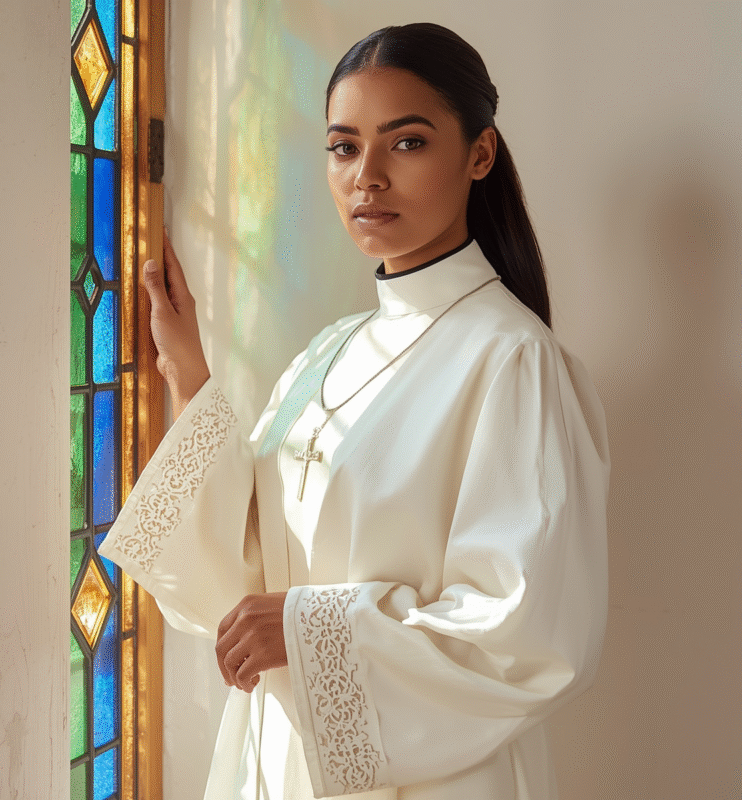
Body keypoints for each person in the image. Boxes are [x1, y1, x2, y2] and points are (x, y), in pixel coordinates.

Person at [99, 22, 610, 800]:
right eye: (344, 147)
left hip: (436, 777)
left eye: (406, 143)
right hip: (278, 761)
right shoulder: (328, 353)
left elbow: (529, 637)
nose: (367, 177)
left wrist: (307, 633)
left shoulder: (514, 362)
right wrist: (189, 374)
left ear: (480, 153)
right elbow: (253, 562)